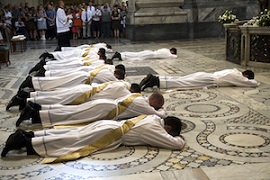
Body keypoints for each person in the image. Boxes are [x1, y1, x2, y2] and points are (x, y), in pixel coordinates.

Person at [1, 114, 185, 163]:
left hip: (108, 126)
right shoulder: (154, 128)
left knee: (72, 134)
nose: (167, 135)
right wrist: (179, 138)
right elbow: (176, 145)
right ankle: (26, 143)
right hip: (109, 135)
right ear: (167, 128)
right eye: (169, 132)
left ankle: (29, 135)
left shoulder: (151, 118)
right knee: (72, 142)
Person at [16, 92, 165, 127]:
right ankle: (36, 113)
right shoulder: (145, 105)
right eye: (157, 105)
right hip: (105, 110)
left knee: (72, 111)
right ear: (155, 101)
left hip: (104, 104)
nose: (155, 108)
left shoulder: (137, 95)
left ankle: (38, 110)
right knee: (72, 115)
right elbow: (160, 115)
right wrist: (160, 110)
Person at [139, 69, 260, 91]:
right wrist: (255, 81)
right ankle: (156, 81)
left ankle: (156, 79)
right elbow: (253, 84)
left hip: (206, 75)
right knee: (184, 83)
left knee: (183, 79)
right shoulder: (238, 76)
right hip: (209, 80)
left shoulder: (233, 70)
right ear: (246, 76)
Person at [111, 48, 177, 61]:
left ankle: (122, 54)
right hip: (151, 54)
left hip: (150, 51)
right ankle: (121, 56)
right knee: (137, 56)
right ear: (172, 51)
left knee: (136, 54)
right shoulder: (168, 53)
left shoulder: (165, 49)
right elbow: (174, 56)